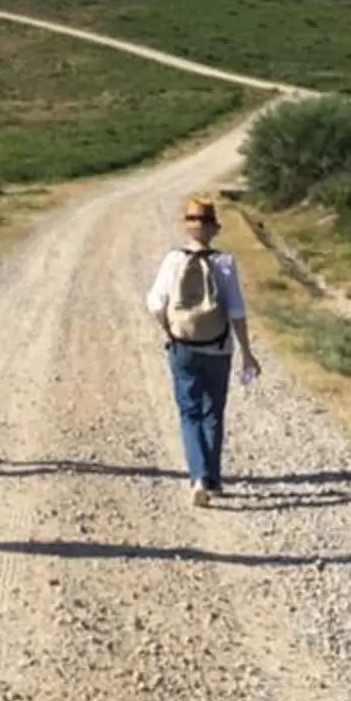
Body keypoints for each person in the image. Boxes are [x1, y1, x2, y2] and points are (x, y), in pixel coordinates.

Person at [145, 193, 258, 506]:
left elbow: (155, 303)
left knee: (189, 412)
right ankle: (213, 477)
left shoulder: (173, 260)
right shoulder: (224, 263)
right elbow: (236, 310)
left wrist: (169, 328)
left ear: (187, 228)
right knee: (213, 412)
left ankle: (198, 478)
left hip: (183, 346)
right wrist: (247, 352)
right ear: (214, 229)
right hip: (218, 347)